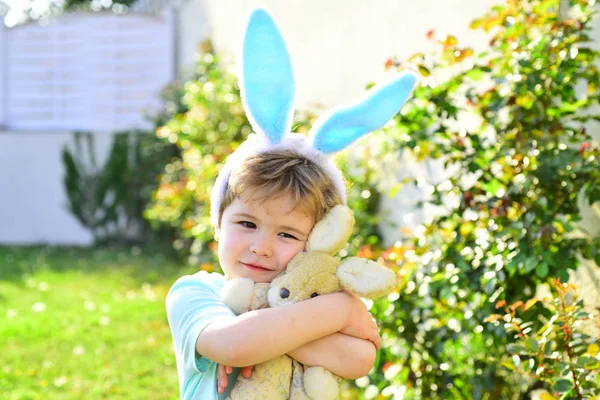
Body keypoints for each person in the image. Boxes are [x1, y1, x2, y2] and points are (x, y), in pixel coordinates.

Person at [165, 7, 417, 400]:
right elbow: (234, 345)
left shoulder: (312, 295)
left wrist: (266, 327)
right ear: (218, 224)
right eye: (246, 224)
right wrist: (340, 313)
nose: (261, 247)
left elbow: (357, 359)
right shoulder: (197, 294)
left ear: (317, 241)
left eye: (287, 233)